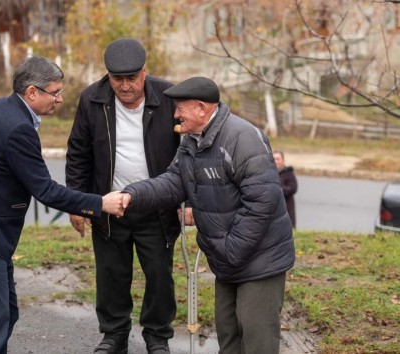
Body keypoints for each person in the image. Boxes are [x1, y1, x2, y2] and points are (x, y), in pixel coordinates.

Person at [0, 55, 125, 354]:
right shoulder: (18, 128)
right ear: (32, 92)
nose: (60, 98)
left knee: (3, 316)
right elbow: (46, 190)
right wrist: (99, 204)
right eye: (55, 92)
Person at [121, 77, 295, 354]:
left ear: (202, 108)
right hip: (228, 258)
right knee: (228, 336)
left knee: (257, 339)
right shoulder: (192, 140)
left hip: (258, 259)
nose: (175, 114)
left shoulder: (242, 138)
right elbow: (173, 180)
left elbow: (263, 203)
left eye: (180, 108)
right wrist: (131, 195)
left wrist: (229, 249)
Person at [65, 38, 181, 354]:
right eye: (118, 79)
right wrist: (78, 203)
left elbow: (188, 153)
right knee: (111, 274)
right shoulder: (92, 99)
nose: (125, 86)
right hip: (109, 205)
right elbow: (78, 153)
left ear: (145, 72)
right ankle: (114, 334)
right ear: (108, 76)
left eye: (132, 78)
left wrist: (190, 201)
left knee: (159, 275)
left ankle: (157, 336)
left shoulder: (169, 98)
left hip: (156, 207)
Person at [274, 150, 298, 229]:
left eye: (278, 159)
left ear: (283, 160)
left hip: (287, 208)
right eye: (273, 159)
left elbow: (293, 188)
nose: (276, 161)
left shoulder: (289, 173)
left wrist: (277, 188)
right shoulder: (268, 173)